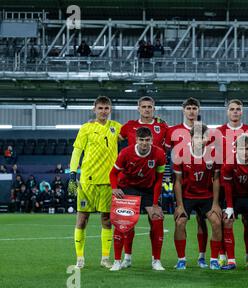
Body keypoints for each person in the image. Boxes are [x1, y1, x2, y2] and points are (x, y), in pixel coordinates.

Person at [69, 96, 122, 269]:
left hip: (108, 183)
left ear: (110, 109)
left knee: (106, 220)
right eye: (100, 108)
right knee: (82, 219)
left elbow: (135, 132)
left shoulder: (116, 127)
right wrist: (72, 173)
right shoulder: (86, 128)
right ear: (94, 109)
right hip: (87, 182)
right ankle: (80, 258)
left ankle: (105, 258)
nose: (103, 111)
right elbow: (77, 151)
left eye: (107, 108)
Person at [109, 127, 166, 271]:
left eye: (147, 140)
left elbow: (159, 180)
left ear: (152, 140)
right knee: (123, 222)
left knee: (157, 218)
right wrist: (115, 188)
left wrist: (154, 204)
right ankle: (120, 260)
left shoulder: (159, 153)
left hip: (148, 189)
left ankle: (156, 260)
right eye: (141, 140)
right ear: (136, 140)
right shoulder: (125, 153)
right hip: (128, 189)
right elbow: (113, 173)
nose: (144, 143)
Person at [165, 97, 211, 268]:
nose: (192, 111)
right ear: (183, 110)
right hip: (182, 184)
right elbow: (168, 156)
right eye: (189, 108)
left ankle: (202, 257)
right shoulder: (173, 131)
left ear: (198, 110)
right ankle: (181, 259)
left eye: (194, 108)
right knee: (180, 220)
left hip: (202, 186)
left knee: (202, 220)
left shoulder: (205, 131)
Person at [172, 123, 222, 270]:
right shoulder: (181, 153)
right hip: (187, 196)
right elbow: (178, 182)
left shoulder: (213, 154)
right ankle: (181, 260)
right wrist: (180, 205)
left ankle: (211, 259)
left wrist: (215, 203)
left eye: (203, 136)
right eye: (197, 136)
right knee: (180, 222)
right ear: (191, 138)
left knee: (216, 223)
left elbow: (216, 179)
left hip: (206, 196)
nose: (201, 139)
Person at [215, 99, 248, 266]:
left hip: (246, 183)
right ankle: (222, 255)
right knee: (222, 220)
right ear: (227, 112)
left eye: (238, 109)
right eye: (232, 109)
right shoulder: (218, 132)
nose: (235, 112)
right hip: (225, 182)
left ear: (242, 112)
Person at [221, 134, 248, 270]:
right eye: (241, 149)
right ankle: (231, 261)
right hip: (234, 197)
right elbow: (227, 186)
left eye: (247, 148)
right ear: (235, 149)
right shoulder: (229, 163)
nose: (244, 152)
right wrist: (229, 207)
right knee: (227, 220)